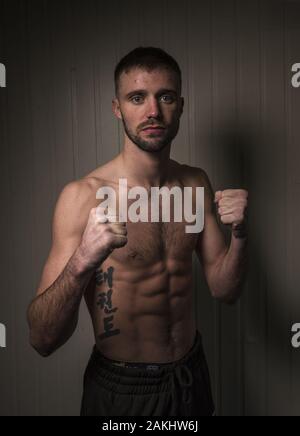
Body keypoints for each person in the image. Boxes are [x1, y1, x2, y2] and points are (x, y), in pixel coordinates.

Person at [27, 47, 248, 416]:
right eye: (136, 97)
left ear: (180, 105)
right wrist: (83, 259)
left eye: (166, 96)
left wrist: (241, 234)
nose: (153, 112)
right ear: (117, 108)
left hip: (191, 376)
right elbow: (42, 339)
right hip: (123, 390)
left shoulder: (195, 184)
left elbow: (224, 290)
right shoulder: (82, 197)